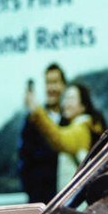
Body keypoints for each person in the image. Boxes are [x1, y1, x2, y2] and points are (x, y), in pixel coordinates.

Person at [18, 62, 68, 203]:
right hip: (40, 200)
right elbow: (24, 158)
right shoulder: (33, 121)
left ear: (64, 85)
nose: (51, 88)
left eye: (55, 82)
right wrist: (32, 190)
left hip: (68, 199)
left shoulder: (71, 119)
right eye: (48, 83)